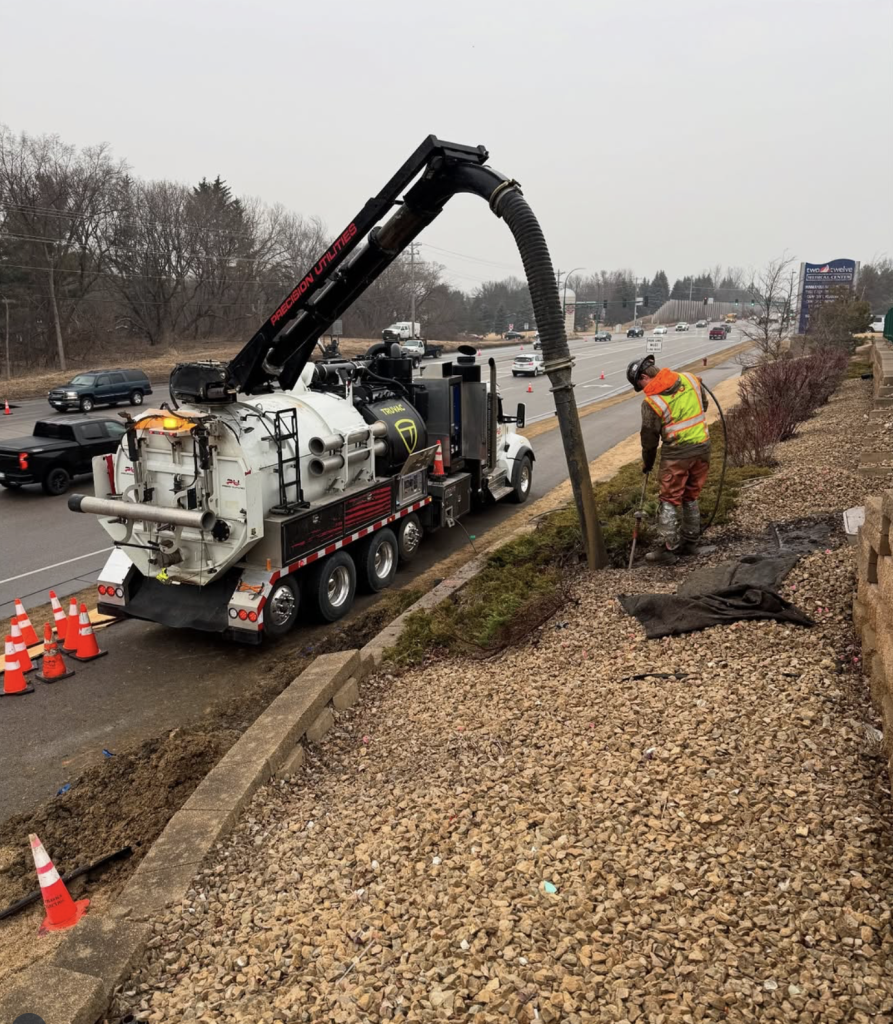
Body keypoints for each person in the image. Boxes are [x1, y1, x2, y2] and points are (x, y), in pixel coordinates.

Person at [626, 354, 710, 564]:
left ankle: (667, 549)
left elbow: (649, 438)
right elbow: (704, 405)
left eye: (640, 384)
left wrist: (648, 462)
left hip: (677, 454)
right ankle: (690, 542)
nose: (642, 389)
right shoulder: (691, 379)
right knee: (691, 495)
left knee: (669, 500)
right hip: (702, 447)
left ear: (644, 376)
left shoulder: (652, 402)